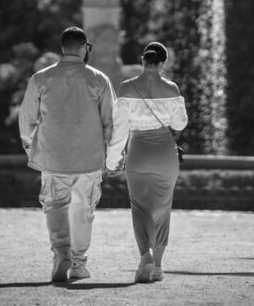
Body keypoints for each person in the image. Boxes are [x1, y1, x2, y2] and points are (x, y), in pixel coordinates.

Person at [18, 26, 120, 282]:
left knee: (54, 206)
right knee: (84, 210)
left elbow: (27, 118)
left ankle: (61, 252)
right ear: (85, 48)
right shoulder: (99, 78)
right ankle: (78, 262)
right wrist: (113, 155)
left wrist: (31, 147)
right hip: (89, 158)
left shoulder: (41, 78)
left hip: (53, 157)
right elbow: (111, 121)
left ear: (63, 48)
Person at [107, 41, 188, 283]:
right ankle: (159, 267)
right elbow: (180, 124)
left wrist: (112, 161)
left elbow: (119, 131)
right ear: (163, 63)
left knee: (139, 208)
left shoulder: (126, 87)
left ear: (143, 61)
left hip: (138, 151)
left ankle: (145, 257)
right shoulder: (172, 88)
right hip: (165, 153)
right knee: (163, 209)